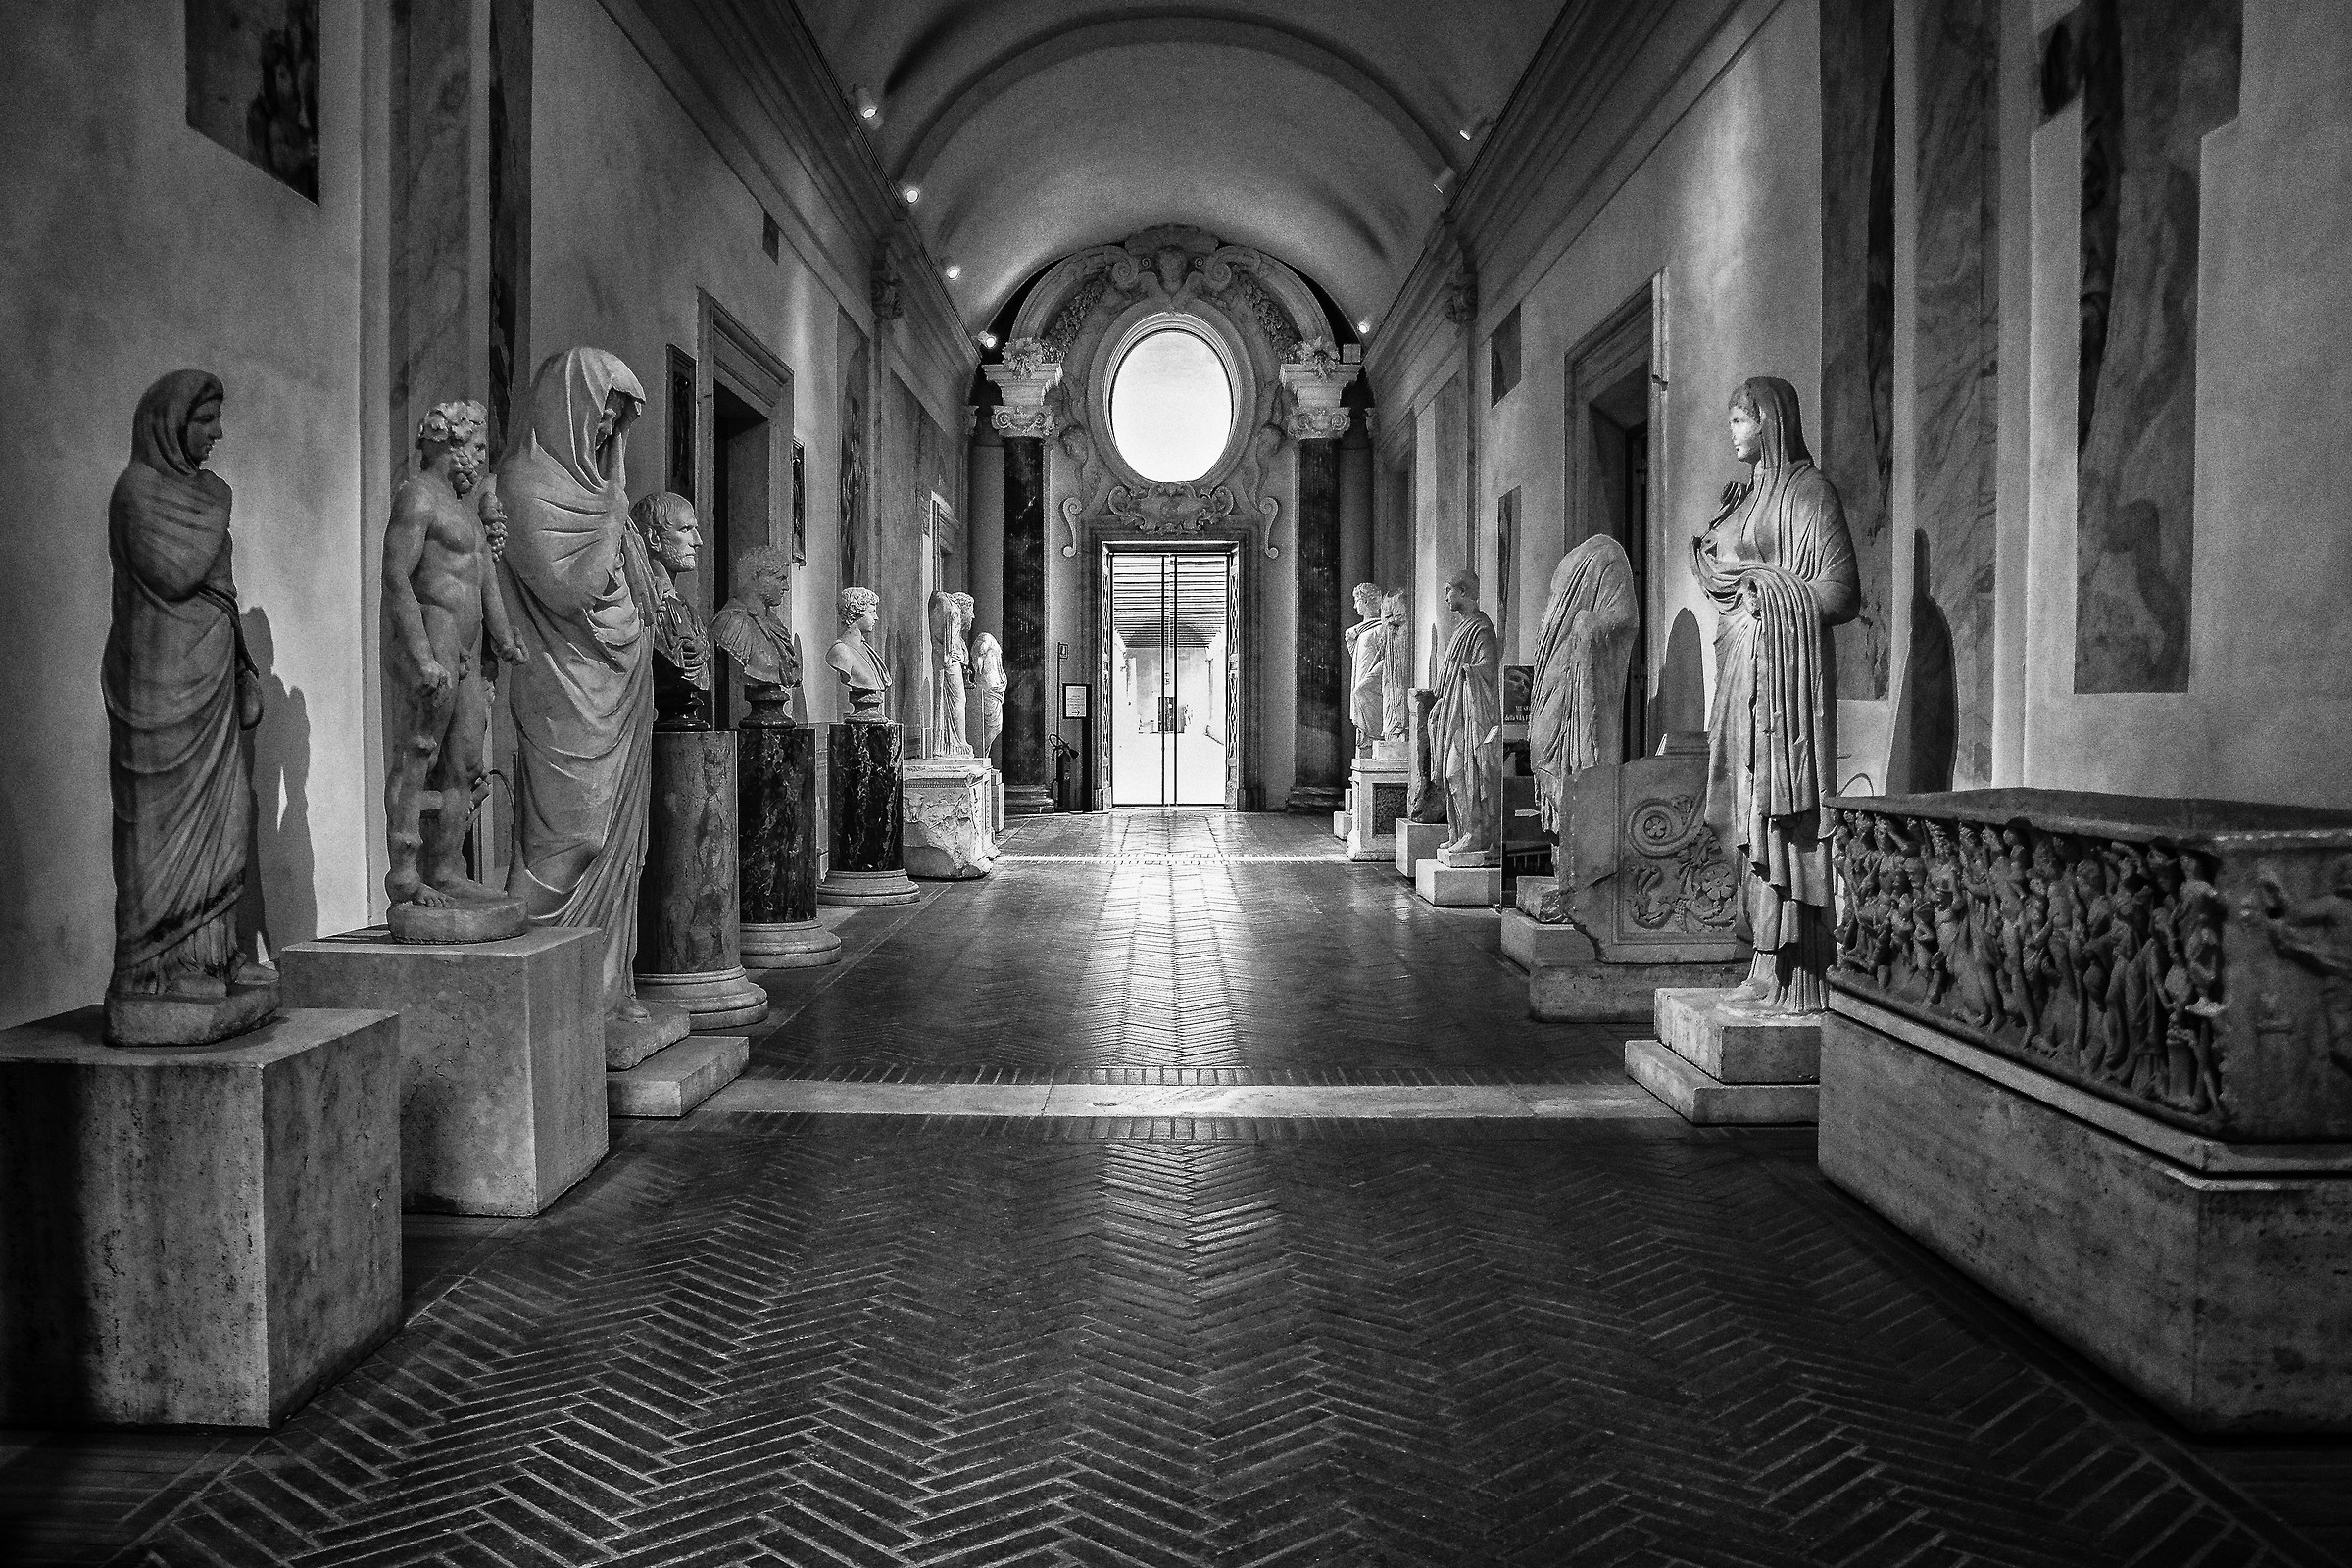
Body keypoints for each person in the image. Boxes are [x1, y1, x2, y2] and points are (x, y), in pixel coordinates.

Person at [103, 369, 276, 1032]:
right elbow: (174, 575)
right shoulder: (137, 492)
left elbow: (222, 592)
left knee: (228, 815)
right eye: (205, 421)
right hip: (155, 682)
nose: (218, 434)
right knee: (156, 829)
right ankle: (153, 971)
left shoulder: (212, 494)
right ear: (172, 424)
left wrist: (244, 668)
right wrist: (216, 509)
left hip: (211, 679)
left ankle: (212, 958)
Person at [491, 346, 658, 1028]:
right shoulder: (523, 485)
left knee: (621, 845)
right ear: (565, 407)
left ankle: (604, 991)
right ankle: (522, 994)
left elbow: (637, 597)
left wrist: (612, 501)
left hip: (617, 688)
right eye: (599, 419)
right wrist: (616, 513)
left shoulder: (596, 493)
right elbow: (567, 591)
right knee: (572, 840)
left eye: (615, 425)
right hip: (563, 688)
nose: (604, 435)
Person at [1690, 375, 1860, 1012]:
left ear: (1769, 421)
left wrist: (1777, 594)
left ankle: (1796, 966)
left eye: (1739, 419)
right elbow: (1722, 576)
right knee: (1747, 820)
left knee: (1783, 823)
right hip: (1744, 682)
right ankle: (1763, 957)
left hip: (1787, 691)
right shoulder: (1747, 501)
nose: (1732, 431)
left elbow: (1842, 591)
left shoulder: (1811, 495)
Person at [381, 399, 525, 921]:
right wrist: (420, 654)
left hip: (466, 645)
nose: (482, 460)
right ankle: (404, 873)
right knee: (422, 749)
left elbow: (485, 578)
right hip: (436, 634)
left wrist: (505, 637)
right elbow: (397, 576)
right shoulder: (418, 497)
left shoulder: (463, 509)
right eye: (479, 447)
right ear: (451, 444)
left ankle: (446, 868)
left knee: (464, 760)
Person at [623, 492, 710, 729]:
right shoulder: (641, 609)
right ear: (653, 538)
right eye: (685, 530)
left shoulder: (686, 609)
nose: (698, 540)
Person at [1430, 570, 1499, 857]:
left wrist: (1466, 674)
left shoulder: (1481, 628)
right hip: (1453, 708)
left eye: (1449, 591)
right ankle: (1458, 831)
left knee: (1458, 771)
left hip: (1471, 713)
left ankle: (1476, 834)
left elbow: (1489, 669)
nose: (1446, 597)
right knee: (1451, 775)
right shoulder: (1462, 628)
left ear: (1463, 591)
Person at [710, 545, 804, 721]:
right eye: (780, 579)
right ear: (757, 578)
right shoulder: (732, 623)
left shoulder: (775, 625)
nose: (786, 587)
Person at [828, 587, 892, 720]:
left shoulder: (867, 650)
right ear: (856, 612)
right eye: (872, 612)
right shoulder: (841, 651)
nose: (876, 618)